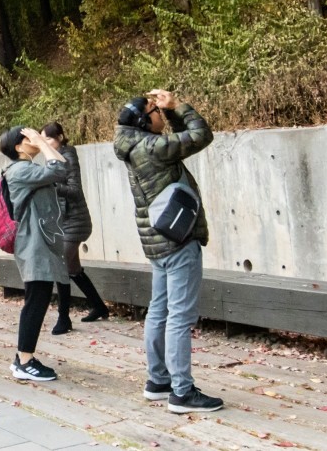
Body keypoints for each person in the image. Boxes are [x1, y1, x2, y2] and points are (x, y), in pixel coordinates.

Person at [113, 89, 223, 414]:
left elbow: (180, 138)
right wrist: (178, 106)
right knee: (179, 316)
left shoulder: (134, 145)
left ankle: (158, 380)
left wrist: (169, 114)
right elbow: (201, 135)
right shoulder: (154, 148)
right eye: (155, 109)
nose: (160, 111)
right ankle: (182, 392)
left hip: (156, 242)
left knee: (159, 310)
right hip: (177, 241)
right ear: (145, 122)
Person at [0, 126, 68, 382]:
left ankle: (23, 358)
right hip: (32, 243)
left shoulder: (26, 168)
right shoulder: (22, 170)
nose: (35, 138)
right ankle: (24, 361)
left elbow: (60, 165)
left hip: (37, 241)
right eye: (28, 138)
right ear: (18, 147)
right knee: (35, 300)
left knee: (38, 297)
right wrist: (42, 142)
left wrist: (40, 143)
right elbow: (60, 169)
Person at [40, 122, 109, 334]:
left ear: (60, 137)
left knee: (62, 267)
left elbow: (74, 190)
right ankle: (99, 306)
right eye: (43, 141)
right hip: (65, 221)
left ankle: (64, 318)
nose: (47, 144)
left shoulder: (67, 156)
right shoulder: (54, 157)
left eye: (49, 139)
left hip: (75, 221)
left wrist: (49, 184)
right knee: (72, 269)